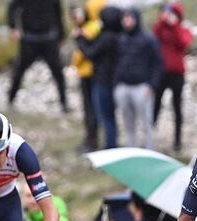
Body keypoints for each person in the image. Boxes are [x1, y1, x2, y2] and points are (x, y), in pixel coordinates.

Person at [113, 7, 163, 150]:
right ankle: (131, 151)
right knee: (128, 124)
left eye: (129, 18)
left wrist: (152, 86)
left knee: (146, 123)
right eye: (125, 18)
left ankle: (150, 152)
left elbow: (158, 63)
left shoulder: (148, 39)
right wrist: (117, 84)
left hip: (142, 87)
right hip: (123, 86)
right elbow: (116, 61)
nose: (127, 21)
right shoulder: (120, 39)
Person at [74, 5, 123, 149]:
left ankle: (110, 147)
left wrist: (79, 39)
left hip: (103, 81)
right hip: (114, 81)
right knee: (109, 116)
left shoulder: (107, 38)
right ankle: (110, 144)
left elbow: (90, 52)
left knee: (106, 116)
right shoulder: (119, 36)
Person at [7, 0, 68, 112]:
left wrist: (61, 36)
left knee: (58, 72)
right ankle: (10, 100)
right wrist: (13, 27)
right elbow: (12, 7)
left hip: (49, 39)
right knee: (19, 70)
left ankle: (64, 104)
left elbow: (58, 13)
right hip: (30, 39)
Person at [152, 2, 193, 152]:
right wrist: (162, 20)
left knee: (177, 107)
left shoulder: (183, 29)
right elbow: (154, 37)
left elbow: (184, 43)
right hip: (162, 73)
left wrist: (174, 25)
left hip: (177, 74)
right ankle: (151, 137)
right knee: (156, 104)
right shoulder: (161, 28)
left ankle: (178, 142)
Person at [69, 0, 106, 152]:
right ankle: (91, 138)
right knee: (91, 108)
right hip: (89, 73)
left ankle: (92, 140)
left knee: (90, 108)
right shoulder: (97, 26)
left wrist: (78, 36)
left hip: (90, 73)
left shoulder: (92, 28)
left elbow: (85, 51)